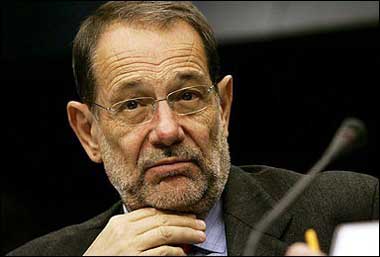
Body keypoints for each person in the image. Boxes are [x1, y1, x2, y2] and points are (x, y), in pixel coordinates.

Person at [7, 1, 378, 256]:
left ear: (223, 107)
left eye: (186, 96)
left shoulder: (353, 207)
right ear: (88, 132)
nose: (167, 131)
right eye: (133, 104)